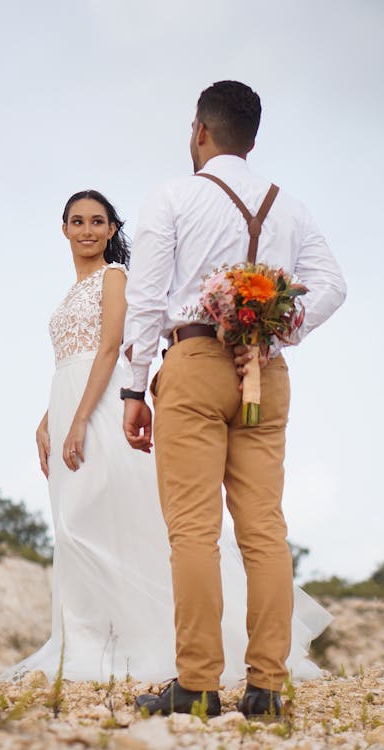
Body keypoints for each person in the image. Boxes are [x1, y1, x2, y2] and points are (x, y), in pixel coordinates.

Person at [2, 186, 332, 691]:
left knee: (122, 520)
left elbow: (111, 348)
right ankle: (90, 636)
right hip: (70, 397)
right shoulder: (70, 292)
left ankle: (155, 645)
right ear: (64, 229)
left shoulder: (115, 278)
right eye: (77, 221)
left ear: (113, 230)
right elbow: (72, 357)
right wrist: (50, 415)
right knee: (74, 525)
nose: (87, 229)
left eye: (97, 220)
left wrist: (81, 419)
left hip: (103, 403)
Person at [121, 80, 346, 718]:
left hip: (193, 363)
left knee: (194, 530)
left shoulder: (173, 196)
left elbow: (145, 298)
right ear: (253, 138)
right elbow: (333, 285)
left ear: (200, 130)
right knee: (265, 530)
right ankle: (268, 688)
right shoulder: (291, 208)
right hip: (265, 369)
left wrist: (135, 388)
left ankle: (196, 685)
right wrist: (278, 328)